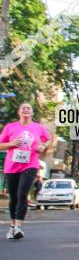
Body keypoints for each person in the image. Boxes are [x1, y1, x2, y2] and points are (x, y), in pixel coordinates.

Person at [0, 103, 52, 240]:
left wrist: (43, 146)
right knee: (13, 197)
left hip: (30, 164)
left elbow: (49, 140)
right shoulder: (10, 128)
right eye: (23, 108)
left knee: (22, 194)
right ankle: (12, 225)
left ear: (32, 113)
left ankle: (18, 226)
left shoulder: (38, 128)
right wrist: (10, 144)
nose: (26, 110)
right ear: (19, 112)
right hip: (11, 166)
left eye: (29, 108)